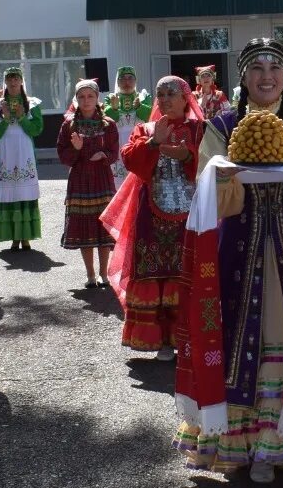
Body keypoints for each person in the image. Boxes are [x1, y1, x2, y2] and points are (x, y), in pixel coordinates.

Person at [173, 38, 283, 488]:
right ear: (243, 77)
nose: (266, 75)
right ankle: (258, 450)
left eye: (274, 67)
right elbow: (205, 180)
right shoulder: (221, 124)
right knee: (239, 344)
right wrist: (224, 177)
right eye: (256, 68)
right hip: (239, 254)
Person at [101, 76, 205, 360]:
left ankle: (187, 338)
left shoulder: (201, 130)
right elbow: (130, 161)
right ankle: (160, 341)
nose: (165, 99)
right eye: (160, 94)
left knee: (187, 273)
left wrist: (188, 156)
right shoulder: (144, 128)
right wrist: (152, 142)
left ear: (186, 98)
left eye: (172, 93)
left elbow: (213, 166)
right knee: (154, 272)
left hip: (191, 216)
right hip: (152, 216)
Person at [58, 79, 119, 287]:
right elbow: (64, 157)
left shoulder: (108, 124)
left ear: (97, 98)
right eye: (82, 97)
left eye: (90, 96)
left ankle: (104, 273)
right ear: (76, 99)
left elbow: (114, 152)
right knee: (85, 228)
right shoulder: (69, 125)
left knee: (102, 227)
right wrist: (75, 148)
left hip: (102, 179)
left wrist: (103, 154)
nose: (86, 101)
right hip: (80, 180)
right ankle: (90, 274)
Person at [0, 67, 44, 251]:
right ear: (5, 82)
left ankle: (25, 236)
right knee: (8, 189)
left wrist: (22, 117)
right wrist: (3, 118)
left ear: (21, 81)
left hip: (24, 151)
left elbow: (37, 130)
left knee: (24, 190)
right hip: (5, 152)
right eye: (9, 79)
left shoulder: (32, 103)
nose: (12, 83)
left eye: (16, 79)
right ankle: (12, 236)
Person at [104, 66, 152, 187]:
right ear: (117, 81)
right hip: (117, 144)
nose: (127, 82)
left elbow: (150, 117)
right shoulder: (110, 98)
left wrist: (140, 107)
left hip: (138, 142)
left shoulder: (144, 96)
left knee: (138, 181)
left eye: (130, 78)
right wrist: (113, 108)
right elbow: (106, 119)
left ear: (135, 80)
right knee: (118, 182)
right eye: (123, 79)